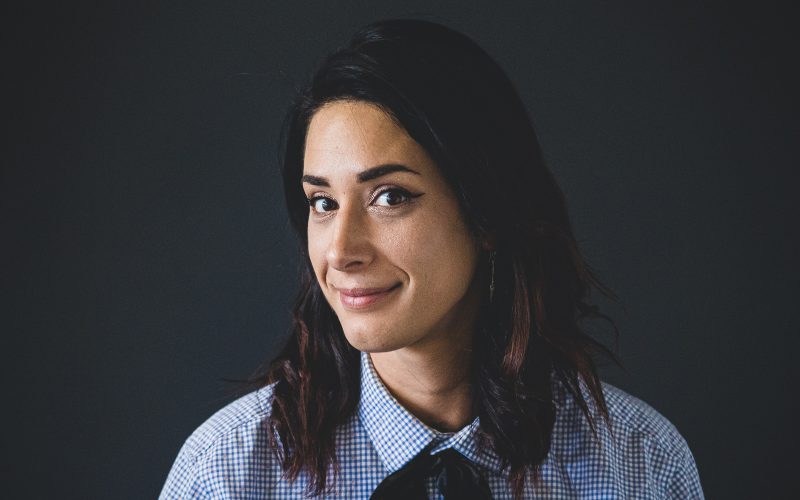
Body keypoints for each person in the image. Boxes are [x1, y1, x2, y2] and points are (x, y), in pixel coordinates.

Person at [160, 19, 704, 499]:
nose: (342, 251)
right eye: (322, 203)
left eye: (390, 197)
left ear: (487, 212)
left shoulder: (639, 464)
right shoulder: (230, 474)